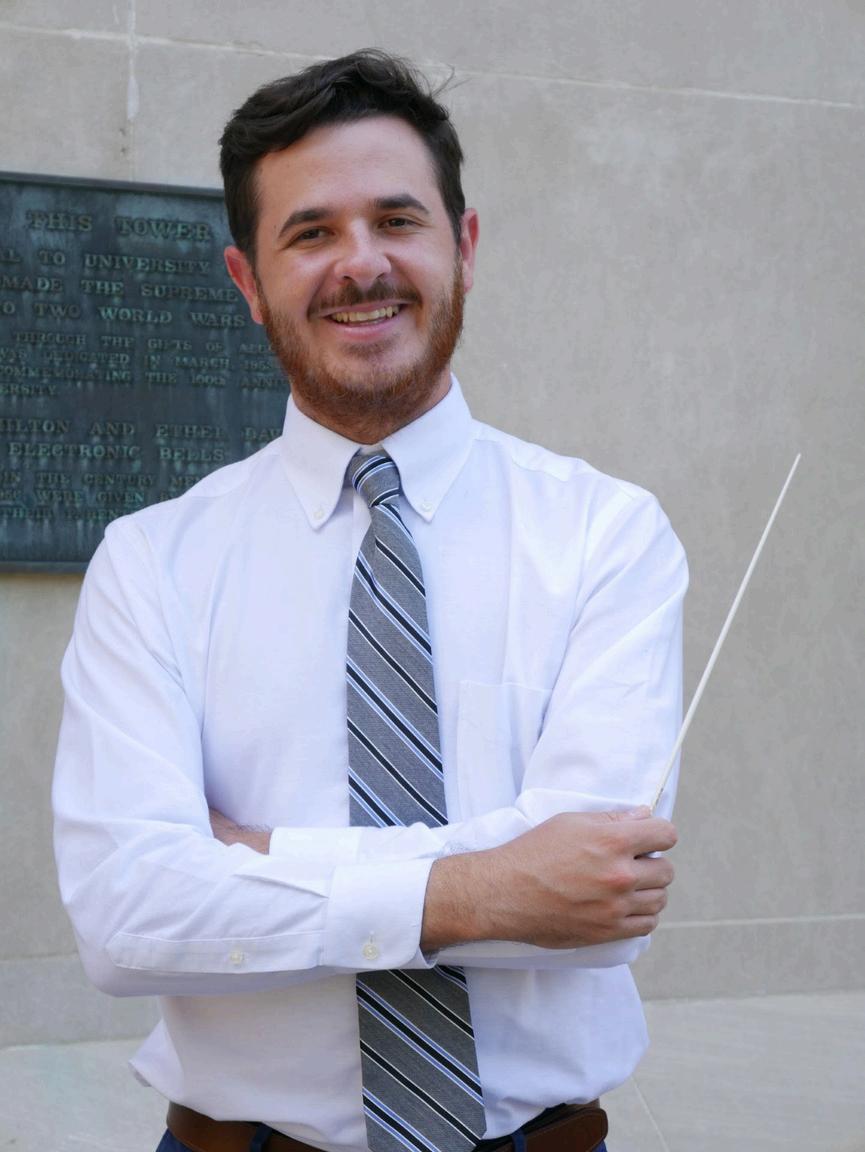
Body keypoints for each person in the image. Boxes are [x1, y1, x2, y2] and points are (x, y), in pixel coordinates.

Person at [53, 49, 687, 1152]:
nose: (361, 264)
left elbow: (596, 906)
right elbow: (124, 920)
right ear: (248, 282)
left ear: (463, 246)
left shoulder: (606, 534)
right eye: (310, 233)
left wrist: (262, 858)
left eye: (397, 220)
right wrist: (483, 887)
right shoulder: (149, 563)